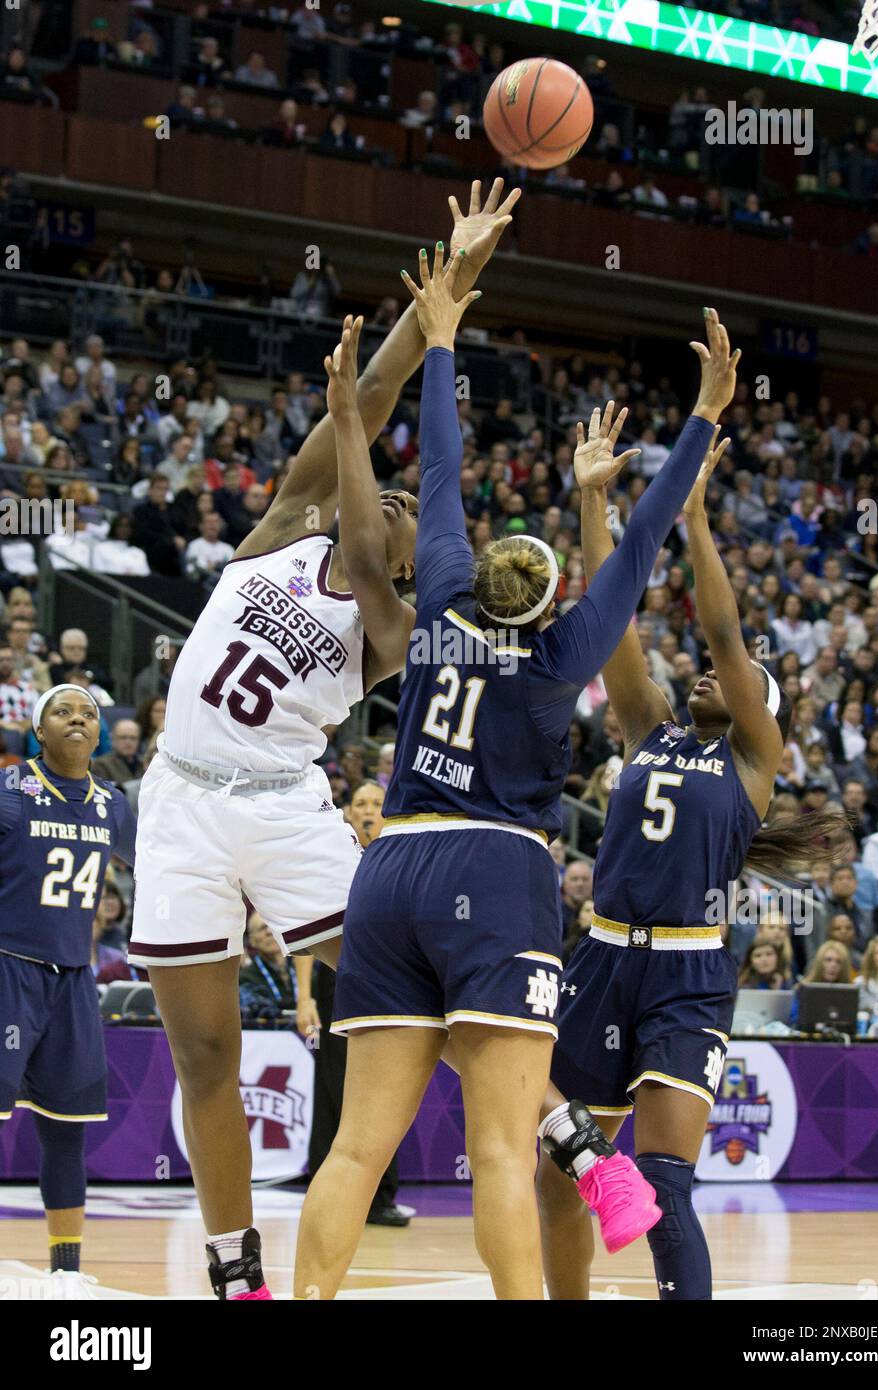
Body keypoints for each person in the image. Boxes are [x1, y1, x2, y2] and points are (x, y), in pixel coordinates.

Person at [292, 272, 731, 1302]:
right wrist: (703, 417)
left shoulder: (439, 596)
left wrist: (442, 337)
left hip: (392, 865)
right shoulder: (553, 668)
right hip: (494, 874)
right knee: (498, 1149)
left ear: (480, 574)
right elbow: (640, 542)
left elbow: (440, 474)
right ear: (546, 610)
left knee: (355, 1146)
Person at [126, 181, 522, 1301]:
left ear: (409, 555)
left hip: (286, 809)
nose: (392, 494)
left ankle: (558, 1134)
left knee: (419, 987)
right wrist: (456, 270)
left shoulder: (393, 628)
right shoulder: (285, 528)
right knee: (203, 1054)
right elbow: (382, 379)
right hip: (180, 803)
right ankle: (233, 1269)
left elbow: (384, 479)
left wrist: (375, 462)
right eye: (380, 486)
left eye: (406, 504)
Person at [536, 404, 847, 1302]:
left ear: (764, 709)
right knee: (556, 1175)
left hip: (684, 974)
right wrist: (593, 503)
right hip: (599, 956)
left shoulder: (753, 758)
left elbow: (721, 635)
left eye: (743, 677)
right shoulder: (649, 727)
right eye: (715, 673)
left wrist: (699, 520)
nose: (715, 672)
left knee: (666, 1191)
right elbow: (610, 616)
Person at [0, 686, 135, 1293]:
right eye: (64, 712)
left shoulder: (112, 803)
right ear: (38, 728)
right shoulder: (8, 792)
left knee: (67, 1125)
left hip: (74, 979)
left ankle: (67, 1273)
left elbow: (154, 861)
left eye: (88, 714)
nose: (78, 719)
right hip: (8, 970)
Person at [301, 779, 413, 1227]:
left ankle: (381, 1198)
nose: (367, 810)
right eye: (360, 803)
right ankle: (327, 1193)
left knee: (387, 1091)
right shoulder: (333, 860)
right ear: (347, 813)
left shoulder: (404, 857)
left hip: (392, 985)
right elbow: (307, 936)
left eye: (375, 804)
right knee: (332, 1092)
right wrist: (304, 996)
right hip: (335, 980)